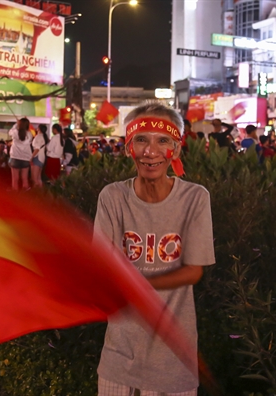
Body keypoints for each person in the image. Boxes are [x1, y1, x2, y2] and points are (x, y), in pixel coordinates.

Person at [95, 103, 215, 395]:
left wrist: (136, 285)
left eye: (163, 140)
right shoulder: (112, 197)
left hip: (172, 359)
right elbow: (101, 265)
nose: (151, 152)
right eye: (141, 139)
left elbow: (193, 271)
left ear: (176, 148)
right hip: (119, 354)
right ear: (128, 147)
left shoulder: (194, 198)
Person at [8, 118, 33, 191]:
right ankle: (25, 195)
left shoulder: (15, 132)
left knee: (15, 179)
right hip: (26, 158)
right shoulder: (29, 134)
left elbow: (10, 132)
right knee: (25, 178)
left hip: (15, 157)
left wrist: (16, 124)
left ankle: (15, 194)